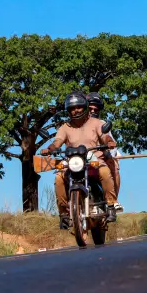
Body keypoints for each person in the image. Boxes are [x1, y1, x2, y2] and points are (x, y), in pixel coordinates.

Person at [41, 91, 118, 229]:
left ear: (85, 107)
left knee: (105, 172)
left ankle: (111, 205)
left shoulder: (96, 123)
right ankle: (63, 214)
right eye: (72, 108)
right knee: (59, 178)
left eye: (78, 107)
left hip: (93, 160)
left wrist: (109, 141)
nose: (75, 111)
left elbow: (104, 136)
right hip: (73, 162)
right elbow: (57, 142)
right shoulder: (65, 127)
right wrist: (50, 148)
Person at [86, 92, 123, 212]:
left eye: (95, 110)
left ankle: (113, 200)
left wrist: (109, 151)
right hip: (79, 161)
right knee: (61, 174)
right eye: (90, 108)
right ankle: (66, 210)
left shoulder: (102, 124)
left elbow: (110, 142)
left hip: (99, 159)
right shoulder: (75, 124)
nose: (92, 111)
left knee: (114, 164)